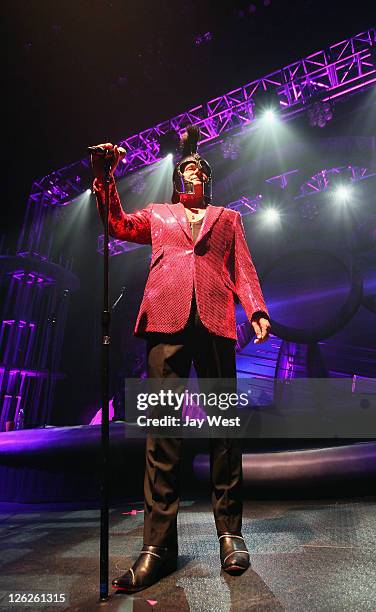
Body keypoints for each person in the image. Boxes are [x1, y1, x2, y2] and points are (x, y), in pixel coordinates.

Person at [92, 126, 271, 593]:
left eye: (201, 169)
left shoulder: (228, 218)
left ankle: (230, 534)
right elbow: (115, 225)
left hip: (214, 319)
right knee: (163, 435)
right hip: (166, 318)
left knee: (223, 434)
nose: (195, 170)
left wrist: (255, 308)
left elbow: (243, 267)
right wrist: (105, 179)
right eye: (188, 167)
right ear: (176, 179)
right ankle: (158, 548)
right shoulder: (158, 214)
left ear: (208, 180)